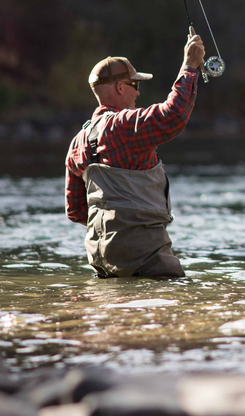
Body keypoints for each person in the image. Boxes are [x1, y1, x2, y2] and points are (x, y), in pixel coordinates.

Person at [64, 31, 205, 278]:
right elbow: (173, 116)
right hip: (147, 256)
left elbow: (75, 210)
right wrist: (189, 66)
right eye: (135, 85)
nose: (138, 93)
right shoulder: (125, 126)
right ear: (120, 88)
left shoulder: (77, 143)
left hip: (102, 260)